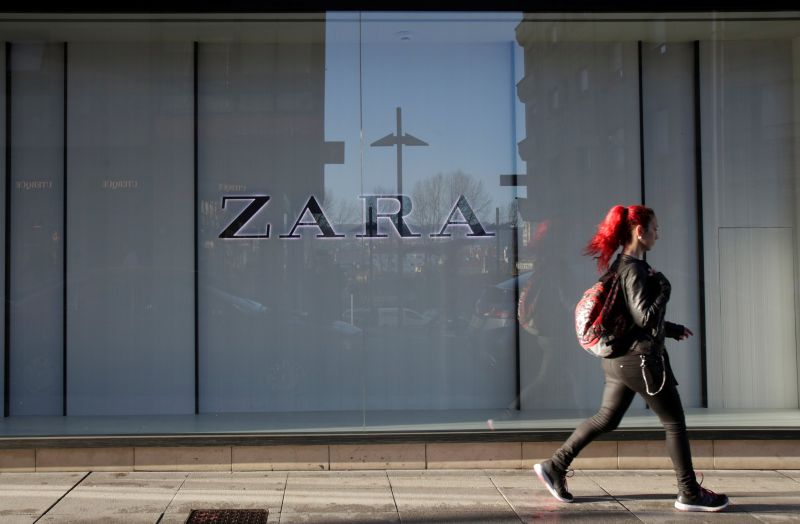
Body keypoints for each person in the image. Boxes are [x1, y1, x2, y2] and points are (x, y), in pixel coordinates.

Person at [533, 204, 729, 513]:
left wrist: (673, 329)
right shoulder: (636, 269)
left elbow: (629, 316)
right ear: (640, 231)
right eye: (655, 228)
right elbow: (646, 318)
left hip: (618, 359)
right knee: (674, 422)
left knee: (606, 418)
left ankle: (555, 465)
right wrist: (664, 289)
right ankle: (689, 493)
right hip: (639, 360)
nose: (658, 234)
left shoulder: (619, 265)